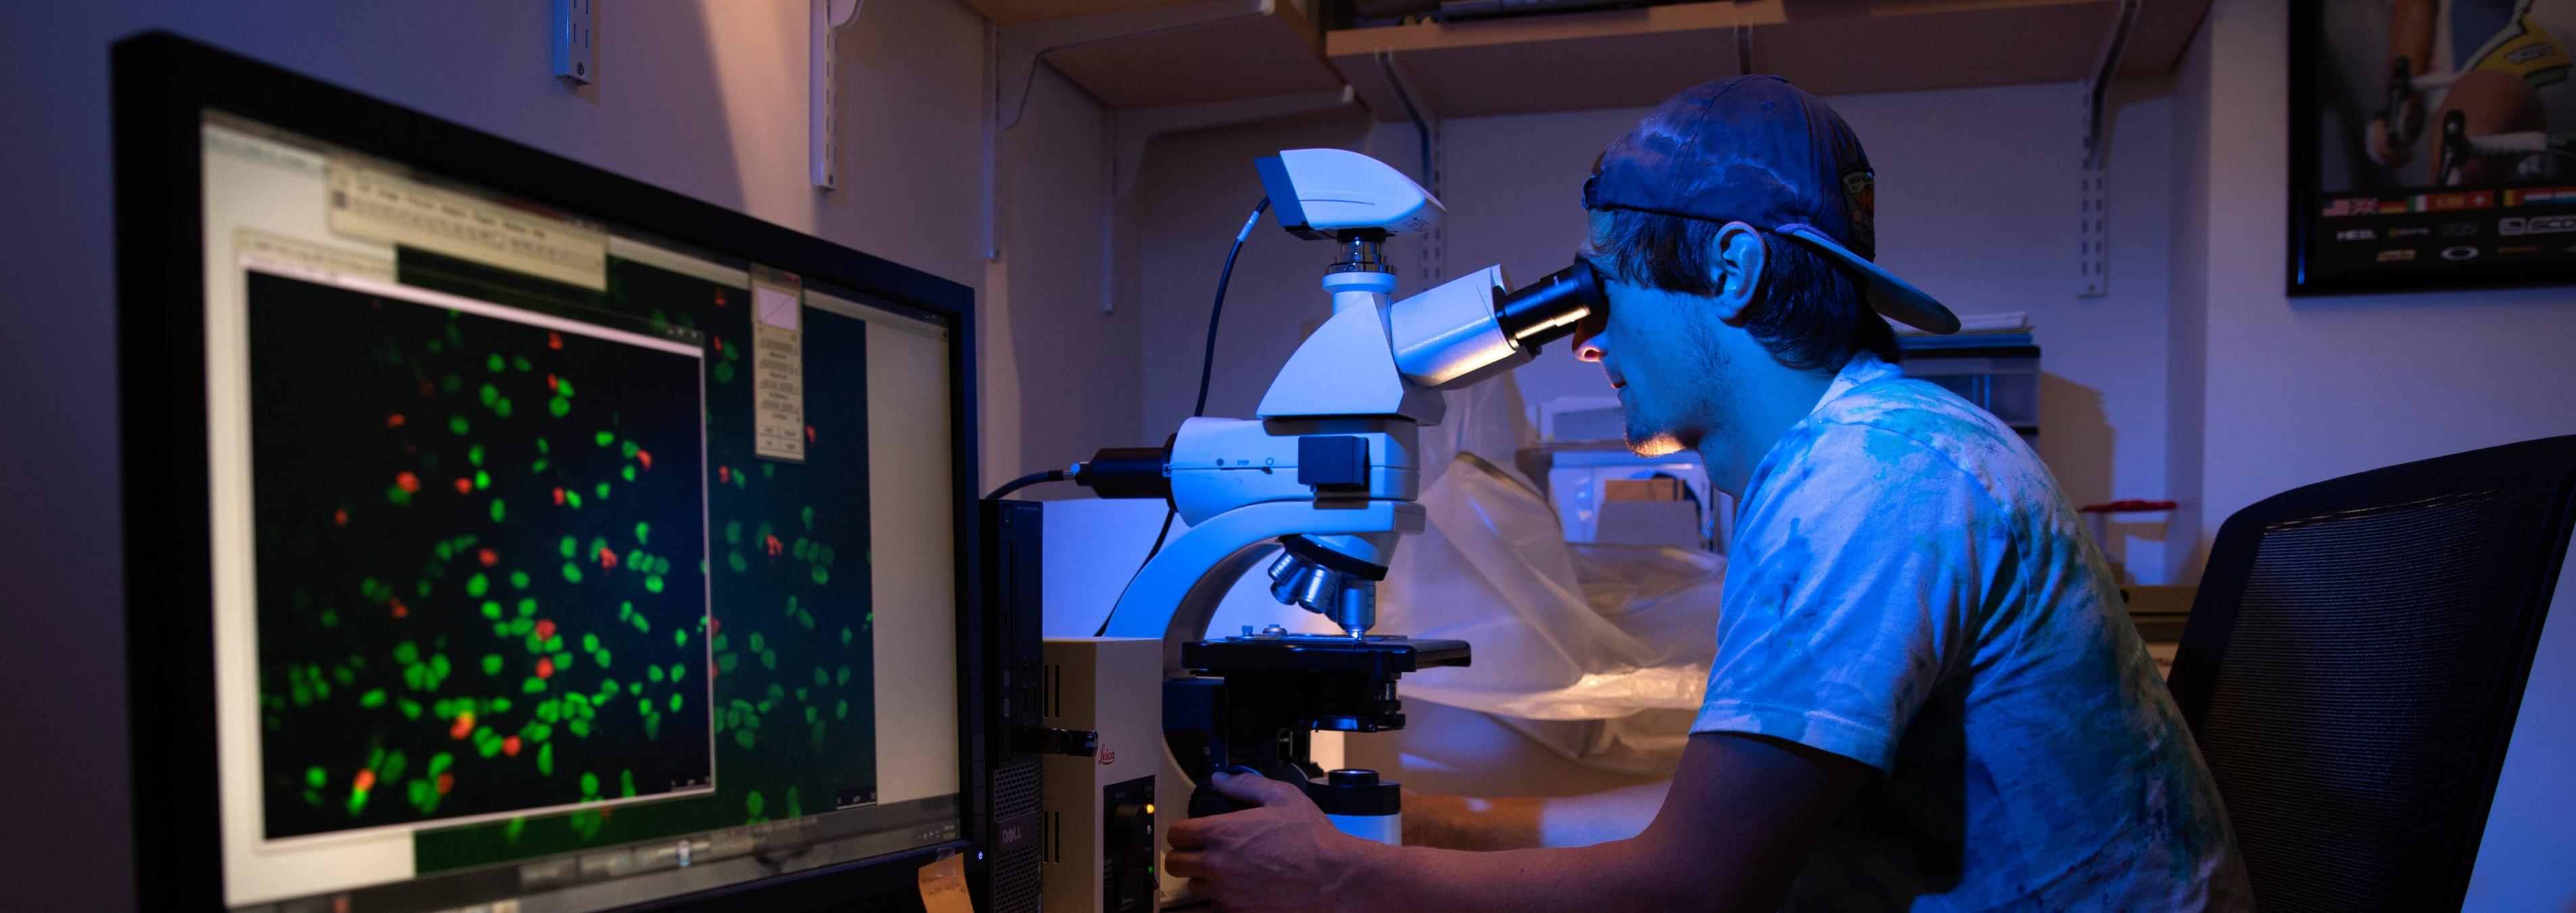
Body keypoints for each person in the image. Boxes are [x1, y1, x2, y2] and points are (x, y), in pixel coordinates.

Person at [1163, 76, 2251, 912]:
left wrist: (1344, 883)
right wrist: (1407, 833)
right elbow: (1705, 827)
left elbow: (1694, 888)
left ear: (1730, 269)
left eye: (1606, 282)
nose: (1587, 343)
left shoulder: (1872, 484)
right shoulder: (1865, 454)